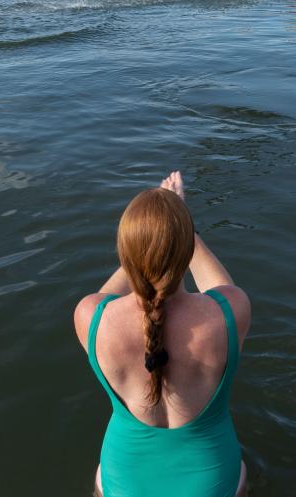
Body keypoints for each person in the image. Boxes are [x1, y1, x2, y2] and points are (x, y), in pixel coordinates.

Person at [74, 172, 251, 497]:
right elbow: (223, 288)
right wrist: (181, 227)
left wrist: (147, 246)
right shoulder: (230, 313)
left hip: (124, 484)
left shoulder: (91, 318)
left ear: (125, 254)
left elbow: (105, 299)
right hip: (212, 484)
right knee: (240, 474)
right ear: (186, 250)